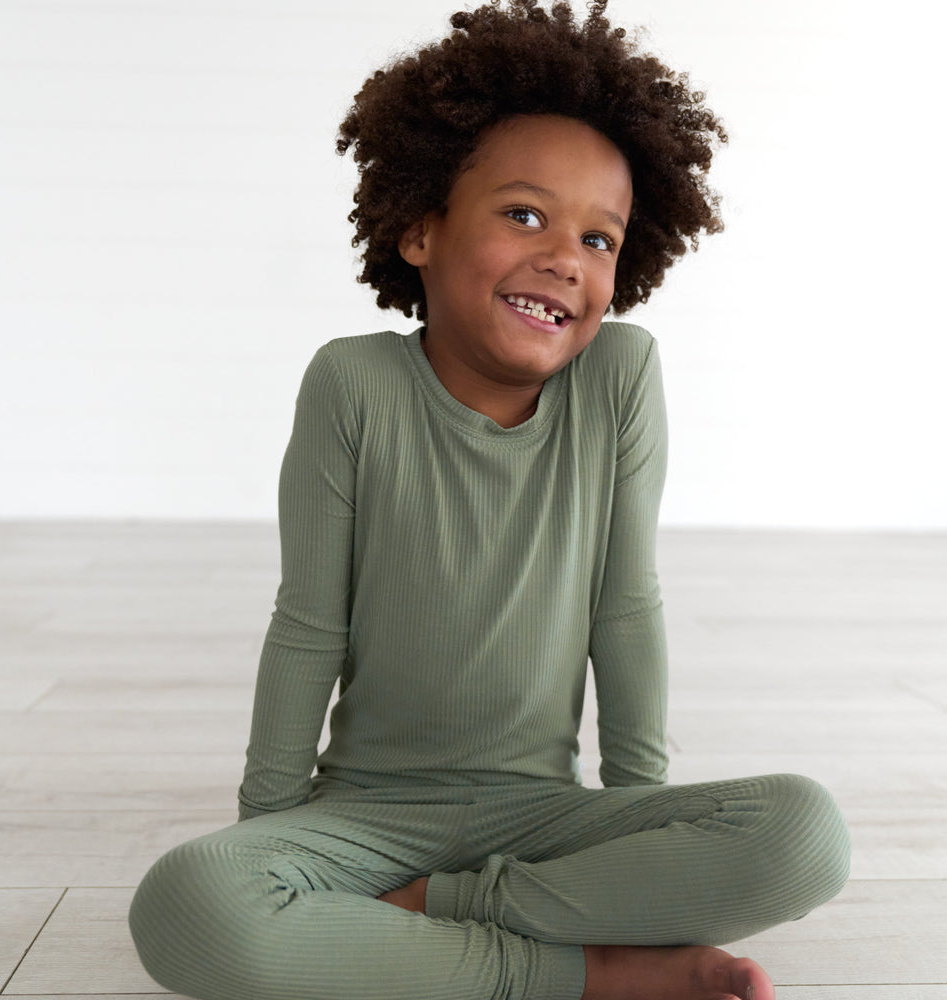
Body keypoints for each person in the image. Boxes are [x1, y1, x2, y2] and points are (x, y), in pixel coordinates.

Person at [129, 3, 850, 998]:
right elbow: (307, 623)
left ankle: (441, 921)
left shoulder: (621, 377)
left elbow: (624, 607)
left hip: (540, 817)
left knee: (808, 832)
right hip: (367, 814)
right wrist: (268, 833)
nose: (565, 255)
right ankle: (588, 974)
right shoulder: (352, 385)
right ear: (419, 226)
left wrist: (640, 827)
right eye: (523, 214)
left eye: (600, 237)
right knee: (186, 905)